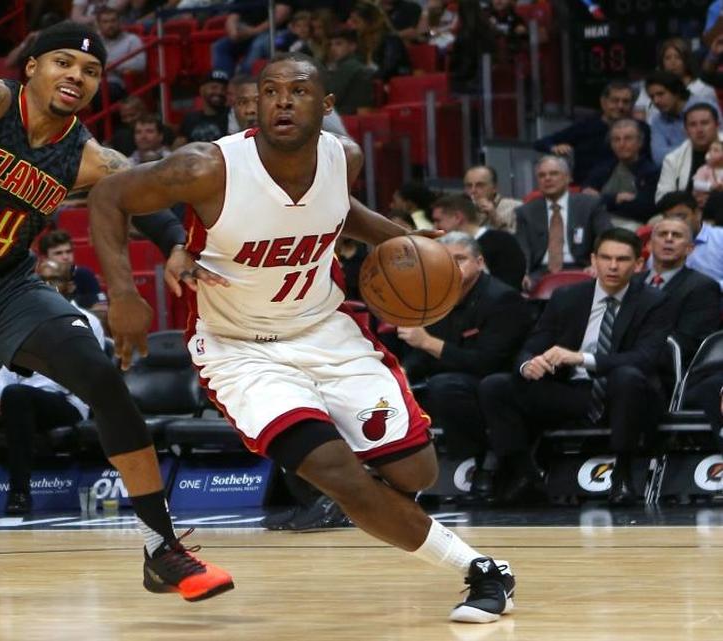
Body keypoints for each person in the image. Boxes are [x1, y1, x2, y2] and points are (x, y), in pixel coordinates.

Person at [88, 52, 515, 624]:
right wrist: (123, 293)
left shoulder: (346, 157)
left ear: (327, 105)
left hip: (325, 332)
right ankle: (484, 570)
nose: (282, 101)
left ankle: (386, 508)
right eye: (270, 91)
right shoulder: (205, 167)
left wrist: (402, 240)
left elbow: (339, 210)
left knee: (415, 474)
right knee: (339, 477)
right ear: (255, 102)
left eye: (298, 91)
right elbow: (109, 196)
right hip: (240, 349)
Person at [0, 22, 233, 604]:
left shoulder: (86, 155)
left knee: (101, 378)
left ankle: (160, 548)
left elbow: (136, 194)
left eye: (91, 71)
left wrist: (175, 242)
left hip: (6, 287)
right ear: (32, 69)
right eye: (63, 63)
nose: (77, 76)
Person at [479, 228, 674, 507]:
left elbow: (645, 358)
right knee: (496, 386)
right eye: (606, 258)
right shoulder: (567, 297)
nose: (613, 266)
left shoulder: (654, 302)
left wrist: (581, 358)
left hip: (627, 395)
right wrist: (528, 364)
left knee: (626, 376)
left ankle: (622, 476)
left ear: (639, 264)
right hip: (573, 392)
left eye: (622, 259)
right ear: (594, 261)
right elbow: (532, 345)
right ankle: (525, 474)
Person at [398, 233, 530, 503]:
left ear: (479, 262)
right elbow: (420, 354)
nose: (452, 266)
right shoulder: (437, 296)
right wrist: (402, 373)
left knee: (446, 386)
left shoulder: (503, 299)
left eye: (460, 259)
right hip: (456, 377)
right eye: (446, 260)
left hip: (499, 383)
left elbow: (487, 362)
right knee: (404, 383)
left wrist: (429, 342)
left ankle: (483, 459)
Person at [0, 257, 106, 514]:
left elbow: (85, 377)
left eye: (54, 281)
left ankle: (19, 493)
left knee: (17, 396)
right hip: (20, 402)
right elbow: (6, 374)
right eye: (41, 281)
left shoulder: (85, 321)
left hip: (68, 402)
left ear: (70, 286)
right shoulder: (22, 322)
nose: (47, 287)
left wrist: (11, 399)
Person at [635, 216, 720, 366]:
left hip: (663, 372)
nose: (669, 239)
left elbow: (687, 343)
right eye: (662, 234)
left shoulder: (703, 287)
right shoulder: (632, 281)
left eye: (677, 235)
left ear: (690, 248)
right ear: (649, 245)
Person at [515, 156, 611, 280]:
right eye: (542, 175)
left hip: (582, 268)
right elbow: (522, 249)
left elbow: (606, 238)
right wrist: (523, 274)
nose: (547, 178)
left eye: (554, 174)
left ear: (568, 178)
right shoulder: (525, 212)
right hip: (540, 273)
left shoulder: (590, 205)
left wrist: (597, 265)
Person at [533, 81, 635, 186]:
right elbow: (541, 142)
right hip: (584, 190)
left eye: (625, 102)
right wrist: (554, 148)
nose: (620, 106)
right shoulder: (586, 126)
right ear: (603, 102)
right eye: (615, 101)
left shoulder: (640, 129)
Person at [429, 194, 524, 291]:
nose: (434, 227)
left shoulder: (503, 242)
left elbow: (510, 287)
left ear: (457, 217)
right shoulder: (440, 248)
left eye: (438, 220)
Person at [580, 118, 660, 225]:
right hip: (599, 220)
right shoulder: (603, 168)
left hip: (633, 224)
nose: (622, 144)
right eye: (616, 139)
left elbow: (644, 209)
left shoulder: (652, 172)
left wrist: (601, 198)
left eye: (628, 139)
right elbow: (585, 197)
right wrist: (616, 198)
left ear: (640, 142)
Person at [655, 103, 723, 201]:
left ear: (717, 125)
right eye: (693, 125)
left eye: (704, 123)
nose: (699, 130)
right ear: (685, 131)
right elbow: (661, 198)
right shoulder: (673, 159)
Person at [37, 229, 108, 318]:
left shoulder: (84, 274)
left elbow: (102, 309)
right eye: (58, 253)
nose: (66, 257)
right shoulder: (38, 280)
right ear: (45, 258)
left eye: (68, 251)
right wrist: (85, 304)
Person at [463, 164, 521, 233]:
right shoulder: (461, 210)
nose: (473, 190)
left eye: (480, 185)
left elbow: (518, 241)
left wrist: (494, 217)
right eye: (469, 186)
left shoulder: (515, 207)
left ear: (494, 188)